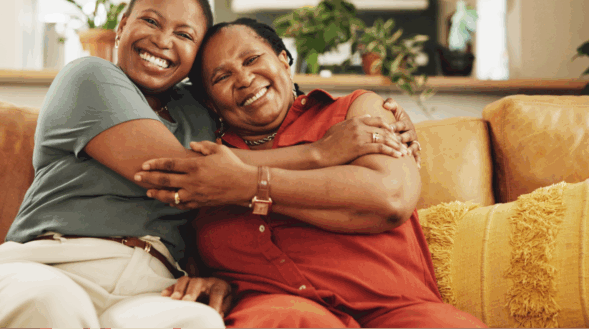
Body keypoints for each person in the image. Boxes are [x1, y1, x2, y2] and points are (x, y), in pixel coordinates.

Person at [0, 0, 421, 328]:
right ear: (121, 27)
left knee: (199, 326)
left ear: (192, 65)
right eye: (150, 21)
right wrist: (322, 152)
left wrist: (385, 116)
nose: (163, 41)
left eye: (185, 35)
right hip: (52, 263)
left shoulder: (202, 110)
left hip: (154, 283)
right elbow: (182, 175)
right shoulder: (91, 77)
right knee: (51, 309)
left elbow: (266, 99)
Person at [135, 18, 487, 328]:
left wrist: (246, 185)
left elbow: (390, 198)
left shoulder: (356, 111)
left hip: (395, 307)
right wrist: (213, 282)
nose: (243, 78)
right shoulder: (205, 162)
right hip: (277, 311)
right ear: (211, 102)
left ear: (285, 62)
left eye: (253, 59)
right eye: (222, 76)